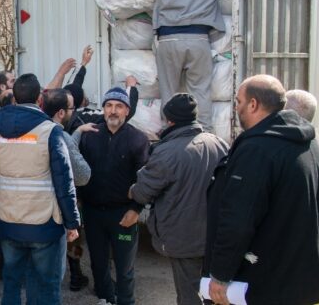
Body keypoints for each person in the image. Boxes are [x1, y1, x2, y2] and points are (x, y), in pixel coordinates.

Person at [204, 75, 319, 305]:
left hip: (262, 283)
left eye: (238, 102)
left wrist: (220, 275)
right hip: (297, 279)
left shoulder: (257, 149)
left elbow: (238, 219)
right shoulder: (312, 142)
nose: (236, 108)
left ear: (253, 104)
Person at [0, 74, 80, 304]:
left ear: (15, 98)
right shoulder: (50, 131)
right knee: (47, 286)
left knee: (11, 283)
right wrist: (72, 222)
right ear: (40, 99)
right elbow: (64, 181)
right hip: (44, 224)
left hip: (9, 219)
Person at [128, 94, 227, 305]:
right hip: (214, 235)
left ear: (170, 120)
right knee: (213, 292)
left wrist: (132, 190)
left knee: (189, 294)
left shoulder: (166, 152)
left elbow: (143, 192)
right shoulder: (218, 143)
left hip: (183, 238)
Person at [143, 0, 232, 132]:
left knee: (169, 91)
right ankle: (206, 134)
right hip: (199, 38)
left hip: (169, 39)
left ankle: (169, 132)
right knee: (200, 91)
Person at [78, 87, 149, 305]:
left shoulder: (138, 139)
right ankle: (105, 298)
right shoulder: (90, 136)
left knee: (124, 266)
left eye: (119, 106)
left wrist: (135, 209)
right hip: (93, 213)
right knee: (98, 263)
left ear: (127, 111)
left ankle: (126, 300)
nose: (113, 111)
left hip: (123, 214)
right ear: (104, 109)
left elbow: (145, 180)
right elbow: (79, 171)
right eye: (109, 105)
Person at [41, 89, 94, 292]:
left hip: (31, 210)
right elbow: (82, 175)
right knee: (71, 237)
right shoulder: (60, 134)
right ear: (61, 113)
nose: (75, 111)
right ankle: (75, 275)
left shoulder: (30, 130)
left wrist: (78, 133)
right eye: (72, 107)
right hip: (59, 205)